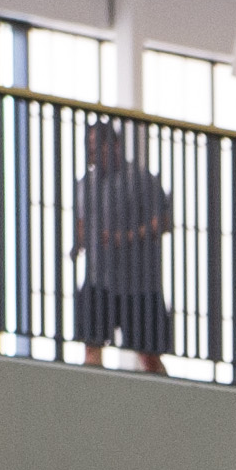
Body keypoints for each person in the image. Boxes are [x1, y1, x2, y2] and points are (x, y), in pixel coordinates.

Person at [73, 121, 173, 375]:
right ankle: (93, 394)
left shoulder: (140, 179)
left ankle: (164, 397)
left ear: (115, 146)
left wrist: (125, 237)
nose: (93, 152)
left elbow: (162, 221)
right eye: (90, 146)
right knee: (91, 347)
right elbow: (82, 223)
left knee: (149, 356)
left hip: (139, 283)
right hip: (98, 278)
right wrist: (78, 243)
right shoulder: (86, 184)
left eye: (98, 145)